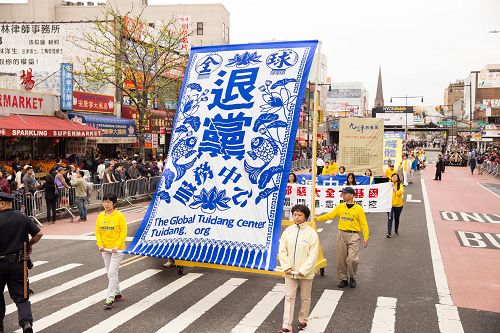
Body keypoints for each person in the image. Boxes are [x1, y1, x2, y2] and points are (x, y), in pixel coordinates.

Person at [0, 192, 43, 333]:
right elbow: (39, 234)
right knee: (21, 297)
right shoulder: (22, 217)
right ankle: (26, 323)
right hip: (19, 262)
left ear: (1, 203)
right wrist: (29, 244)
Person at [315, 187, 369, 288]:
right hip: (341, 234)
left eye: (345, 193)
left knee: (352, 260)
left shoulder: (358, 209)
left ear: (352, 195)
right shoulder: (341, 206)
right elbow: (330, 215)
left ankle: (352, 277)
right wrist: (317, 219)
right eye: (342, 194)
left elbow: (364, 224)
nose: (342, 195)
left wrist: (366, 237)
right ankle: (343, 279)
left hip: (354, 235)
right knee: (341, 259)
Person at [278, 204, 319, 333]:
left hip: (305, 273)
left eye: (300, 214)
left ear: (305, 217)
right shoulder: (288, 231)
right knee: (289, 297)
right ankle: (286, 325)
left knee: (305, 297)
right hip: (290, 271)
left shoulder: (311, 233)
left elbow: (313, 255)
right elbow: (282, 250)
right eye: (295, 214)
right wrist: (287, 266)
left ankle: (303, 319)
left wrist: (304, 270)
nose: (296, 217)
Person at [95, 193, 127, 309]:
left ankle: (110, 297)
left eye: (109, 202)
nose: (106, 204)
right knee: (110, 273)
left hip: (117, 250)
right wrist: (100, 244)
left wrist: (117, 246)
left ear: (114, 204)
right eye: (105, 201)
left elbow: (123, 232)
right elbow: (98, 231)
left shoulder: (119, 216)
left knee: (112, 273)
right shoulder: (100, 216)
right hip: (105, 249)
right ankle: (118, 293)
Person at [387, 174, 404, 238]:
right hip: (389, 205)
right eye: (392, 177)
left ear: (397, 178)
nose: (393, 178)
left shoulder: (399, 185)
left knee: (396, 218)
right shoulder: (388, 184)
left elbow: (399, 193)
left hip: (398, 205)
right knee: (390, 218)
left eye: (395, 177)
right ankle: (389, 233)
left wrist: (394, 188)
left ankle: (396, 230)